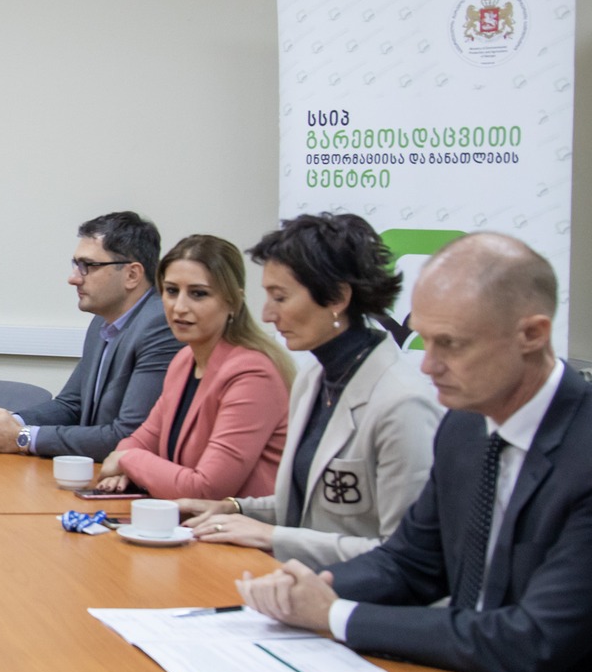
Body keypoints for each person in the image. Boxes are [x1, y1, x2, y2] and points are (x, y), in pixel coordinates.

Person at [238, 233, 592, 672]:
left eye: (451, 344)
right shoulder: (464, 426)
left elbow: (531, 641)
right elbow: (411, 563)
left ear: (532, 334)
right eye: (424, 340)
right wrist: (309, 587)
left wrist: (334, 614)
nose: (428, 364)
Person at [182, 213, 441, 566]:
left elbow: (405, 557)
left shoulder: (402, 403)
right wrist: (234, 508)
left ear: (337, 297)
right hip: (303, 585)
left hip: (355, 596)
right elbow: (309, 507)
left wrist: (273, 536)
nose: (267, 314)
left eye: (280, 298)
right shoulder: (313, 378)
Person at [93, 234, 292, 500]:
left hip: (242, 524)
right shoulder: (184, 360)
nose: (180, 307)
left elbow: (205, 489)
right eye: (171, 291)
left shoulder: (253, 375)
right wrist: (127, 459)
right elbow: (141, 440)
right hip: (188, 519)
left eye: (198, 294)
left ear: (233, 302)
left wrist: (128, 461)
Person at [0, 211, 178, 462]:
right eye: (76, 265)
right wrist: (10, 423)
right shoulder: (101, 322)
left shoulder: (160, 327)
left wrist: (21, 437)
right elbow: (71, 405)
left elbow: (126, 436)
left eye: (88, 266)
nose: (74, 278)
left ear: (132, 275)